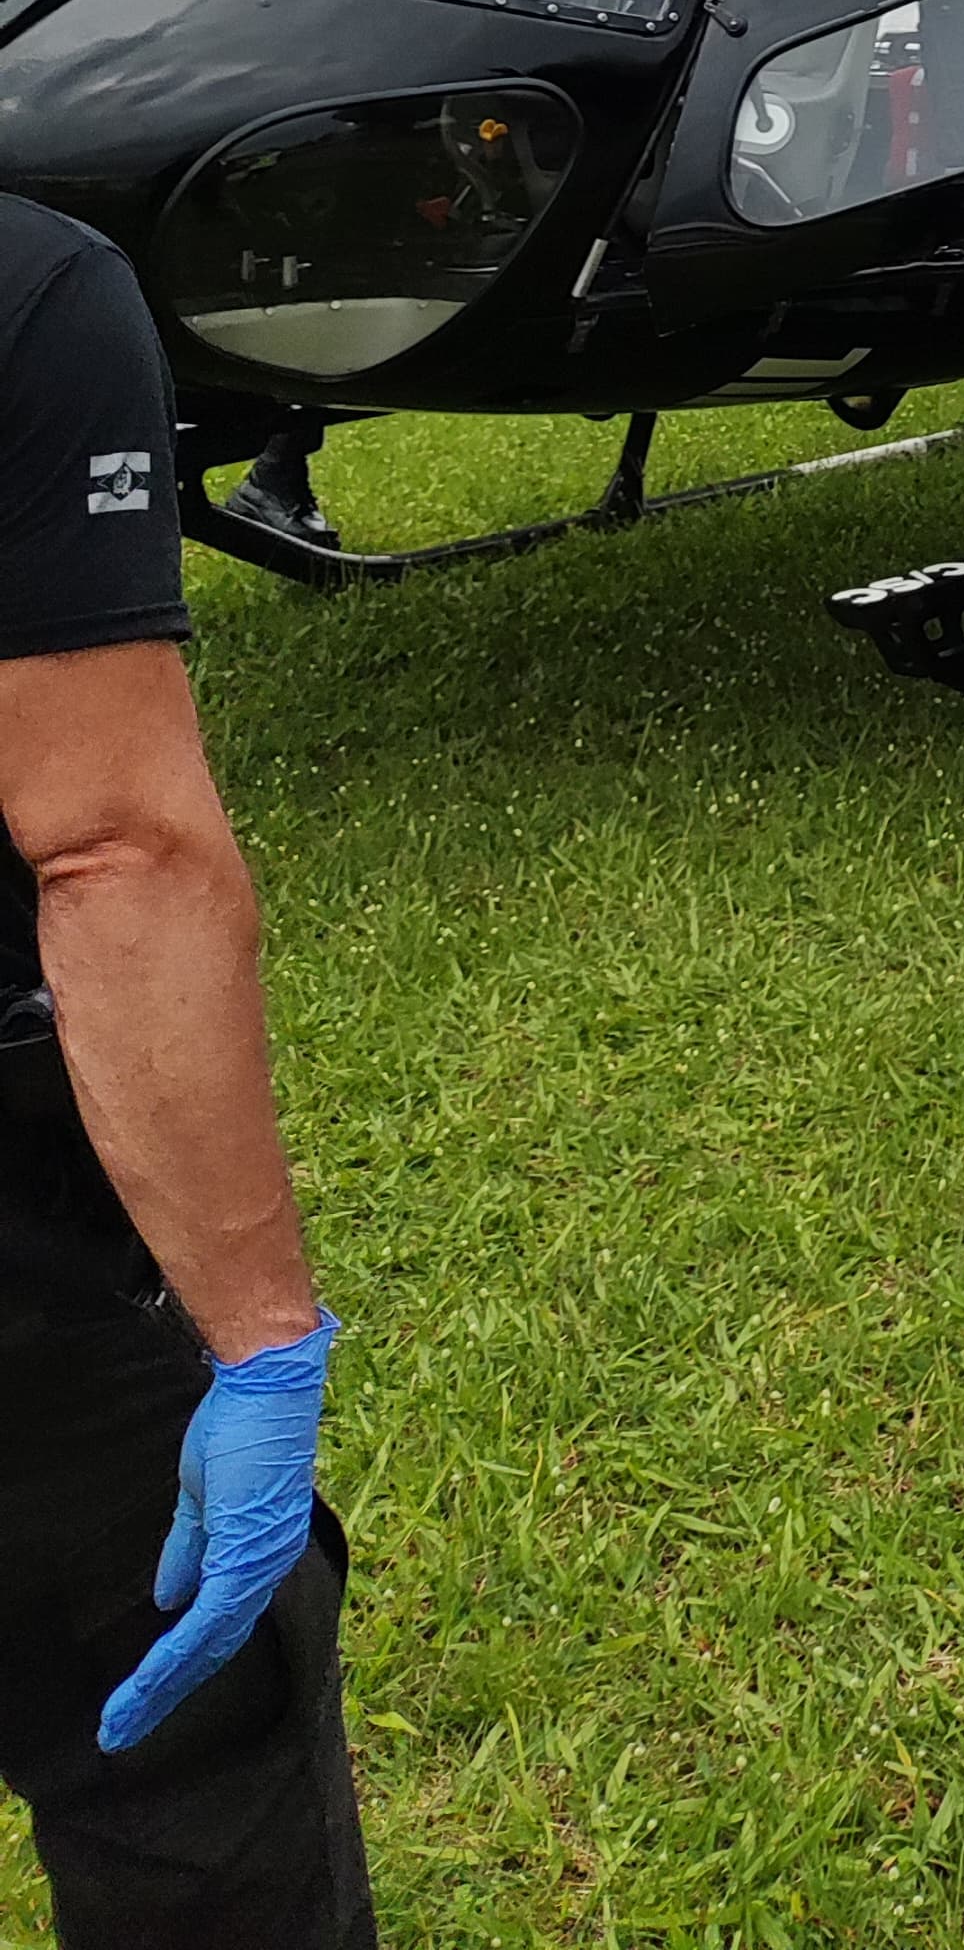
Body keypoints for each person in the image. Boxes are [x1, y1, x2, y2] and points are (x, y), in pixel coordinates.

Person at [0, 194, 373, 1946]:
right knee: (195, 1809)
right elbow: (111, 850)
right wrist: (262, 1337)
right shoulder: (34, 289)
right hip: (30, 1295)